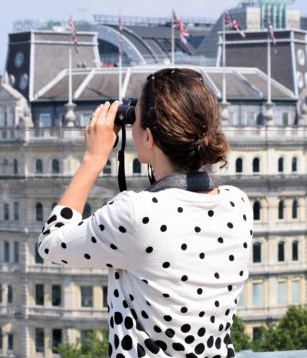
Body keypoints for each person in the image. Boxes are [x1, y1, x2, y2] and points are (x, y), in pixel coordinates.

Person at [38, 68, 251, 358]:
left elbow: (51, 244)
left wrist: (93, 158)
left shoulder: (136, 214)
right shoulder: (238, 204)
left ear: (149, 138)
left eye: (135, 120)